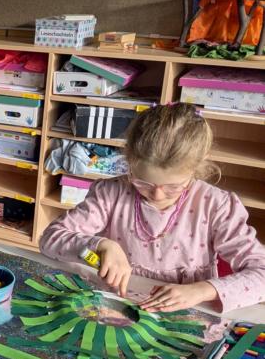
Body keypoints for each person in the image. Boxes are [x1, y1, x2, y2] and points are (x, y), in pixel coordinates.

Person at [40, 103, 265, 313]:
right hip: (116, 307)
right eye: (143, 182)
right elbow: (50, 239)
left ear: (198, 165)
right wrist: (101, 244)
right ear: (129, 158)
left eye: (173, 187)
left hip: (187, 316)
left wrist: (202, 290)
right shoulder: (111, 193)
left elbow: (261, 274)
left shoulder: (216, 205)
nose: (157, 194)